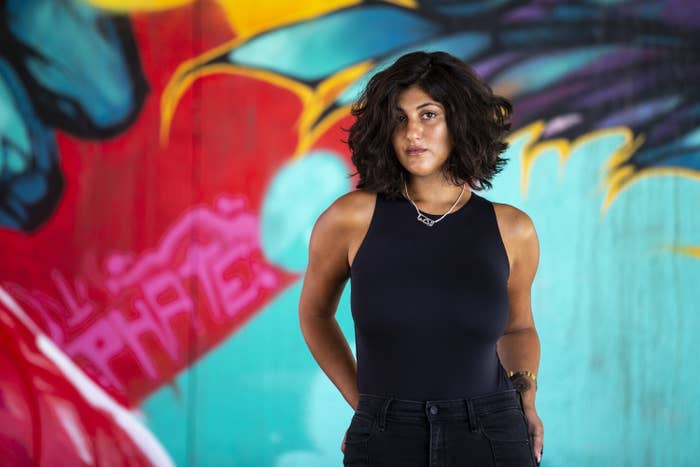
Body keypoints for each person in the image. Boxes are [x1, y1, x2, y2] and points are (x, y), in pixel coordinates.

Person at [298, 50, 544, 466]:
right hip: (386, 436)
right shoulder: (349, 219)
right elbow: (315, 315)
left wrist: (526, 399)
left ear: (459, 122)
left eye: (428, 115)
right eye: (399, 118)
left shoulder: (512, 229)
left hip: (491, 434)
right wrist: (367, 406)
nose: (412, 132)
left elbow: (518, 328)